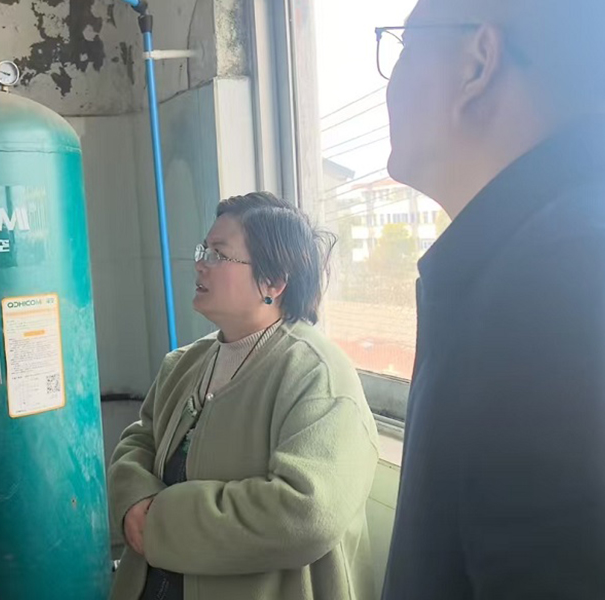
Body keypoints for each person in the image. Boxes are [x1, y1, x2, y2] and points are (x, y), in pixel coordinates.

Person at [379, 1, 605, 598]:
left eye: (404, 47)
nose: (390, 83)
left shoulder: (561, 280)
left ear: (478, 64)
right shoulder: (534, 254)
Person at [108, 192, 379, 600]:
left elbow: (306, 512)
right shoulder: (184, 363)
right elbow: (139, 440)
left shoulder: (316, 375)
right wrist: (133, 500)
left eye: (218, 254)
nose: (200, 263)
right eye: (203, 250)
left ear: (274, 281)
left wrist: (161, 523)